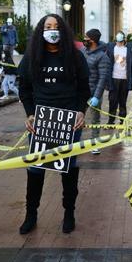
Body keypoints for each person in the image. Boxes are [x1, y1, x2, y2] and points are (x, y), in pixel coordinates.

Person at [18, 14, 90, 235]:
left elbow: (84, 88)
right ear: (41, 30)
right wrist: (30, 114)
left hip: (68, 122)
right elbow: (24, 89)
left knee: (68, 169)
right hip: (40, 123)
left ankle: (69, 212)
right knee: (35, 169)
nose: (52, 30)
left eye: (56, 27)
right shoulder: (31, 57)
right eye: (48, 27)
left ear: (63, 31)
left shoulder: (75, 57)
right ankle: (31, 213)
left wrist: (80, 111)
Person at [82, 28, 112, 154]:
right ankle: (73, 143)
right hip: (80, 92)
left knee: (95, 120)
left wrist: (97, 96)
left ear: (92, 40)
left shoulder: (102, 57)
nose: (84, 40)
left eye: (86, 37)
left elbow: (103, 78)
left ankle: (94, 144)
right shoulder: (83, 52)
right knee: (76, 118)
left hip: (93, 93)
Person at [106, 30, 132, 124]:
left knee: (123, 102)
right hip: (114, 79)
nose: (118, 41)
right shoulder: (111, 48)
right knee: (112, 101)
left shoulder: (129, 49)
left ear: (124, 39)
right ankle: (111, 121)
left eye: (120, 39)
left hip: (125, 79)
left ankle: (122, 121)